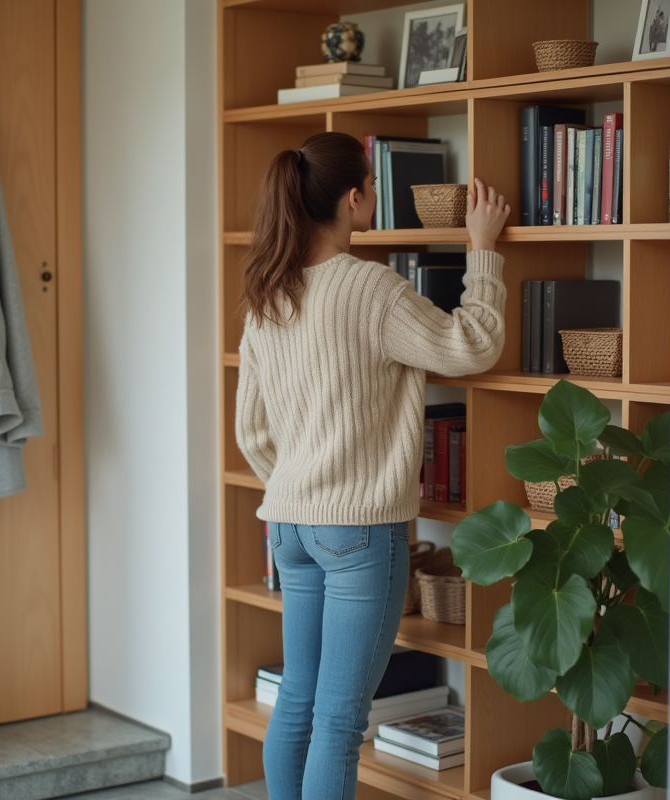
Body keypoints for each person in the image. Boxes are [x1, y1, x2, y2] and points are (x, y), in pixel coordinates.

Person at [234, 131, 509, 800]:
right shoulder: (373, 290)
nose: (377, 200)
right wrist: (484, 251)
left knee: (297, 699)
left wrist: (302, 482)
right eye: (374, 190)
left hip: (290, 527)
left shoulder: (268, 295)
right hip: (359, 531)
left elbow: (251, 431)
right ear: (354, 200)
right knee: (338, 717)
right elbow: (471, 346)